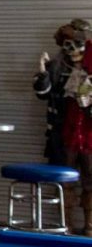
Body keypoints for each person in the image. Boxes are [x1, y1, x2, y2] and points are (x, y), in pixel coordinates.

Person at [34, 19, 92, 235]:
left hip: (89, 134)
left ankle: (89, 226)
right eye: (67, 45)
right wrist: (42, 74)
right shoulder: (57, 67)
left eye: (76, 44)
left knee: (90, 180)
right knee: (64, 180)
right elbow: (43, 94)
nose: (72, 50)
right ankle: (65, 224)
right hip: (65, 133)